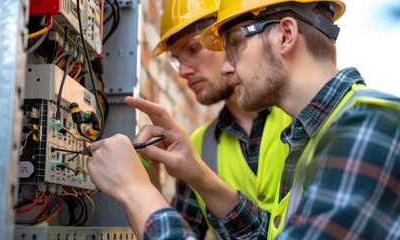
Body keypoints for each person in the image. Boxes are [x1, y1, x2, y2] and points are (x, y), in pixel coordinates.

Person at [88, 0, 400, 239]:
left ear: (285, 35)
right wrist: (195, 174)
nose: (227, 67)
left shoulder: (368, 126)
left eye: (235, 44)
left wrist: (136, 191)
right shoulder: (311, 137)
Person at [153, 0, 291, 238]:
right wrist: (149, 180)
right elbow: (182, 232)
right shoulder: (195, 146)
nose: (184, 71)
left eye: (193, 49)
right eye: (177, 60)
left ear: (229, 37)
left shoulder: (303, 113)